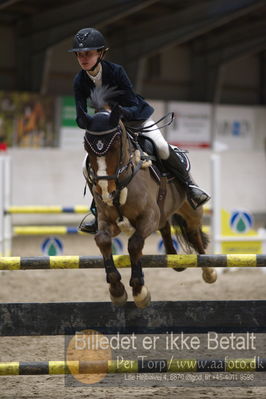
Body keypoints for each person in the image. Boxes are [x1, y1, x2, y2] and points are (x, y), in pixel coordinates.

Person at [69, 27, 210, 234]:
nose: (83, 58)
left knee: (161, 146)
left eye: (88, 54)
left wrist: (116, 113)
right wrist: (91, 120)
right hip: (109, 129)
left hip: (135, 119)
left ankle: (190, 187)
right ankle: (96, 210)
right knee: (87, 166)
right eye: (79, 55)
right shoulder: (79, 81)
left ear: (100, 53)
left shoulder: (116, 71)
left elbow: (133, 104)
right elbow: (81, 117)